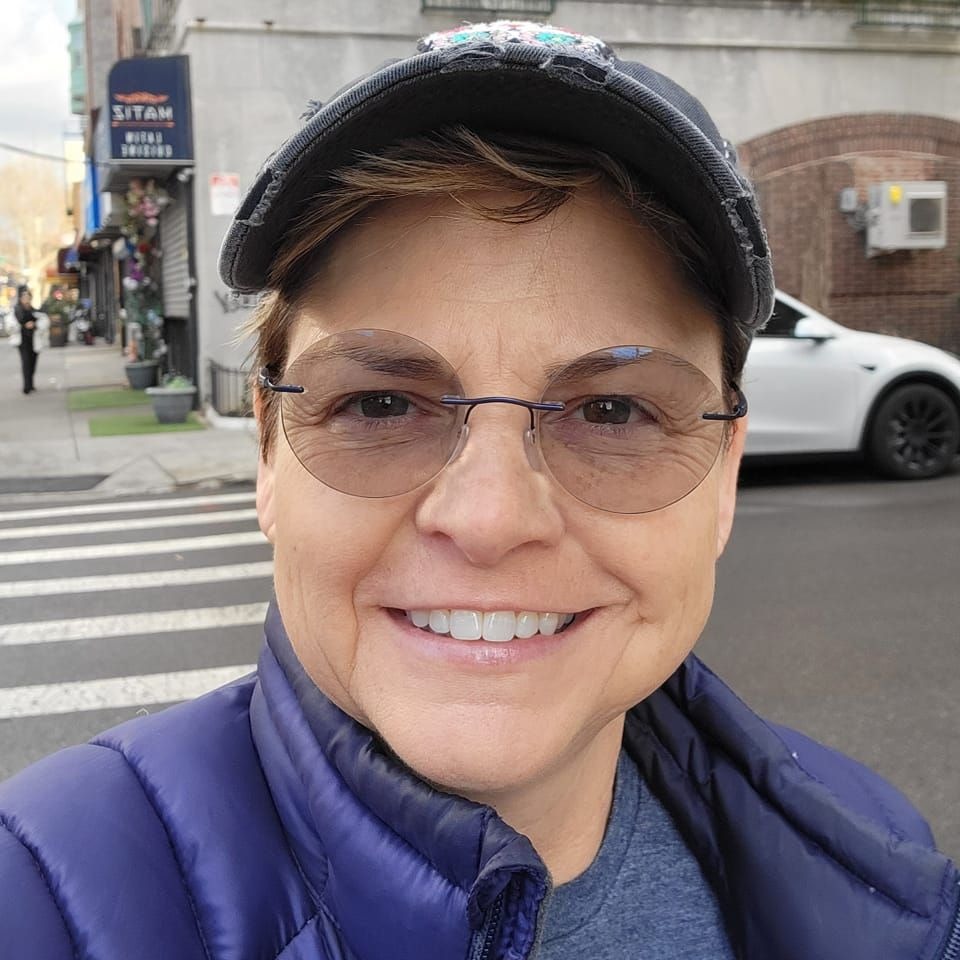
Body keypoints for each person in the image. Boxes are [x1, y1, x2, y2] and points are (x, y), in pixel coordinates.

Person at [1, 21, 958, 960]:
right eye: (381, 404)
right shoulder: (41, 895)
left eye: (612, 412)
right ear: (268, 456)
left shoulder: (877, 864)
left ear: (723, 481)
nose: (490, 519)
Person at [13, 285, 38, 394]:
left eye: (28, 297)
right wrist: (26, 324)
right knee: (26, 362)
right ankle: (26, 386)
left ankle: (31, 384)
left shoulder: (33, 309)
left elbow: (39, 319)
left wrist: (34, 324)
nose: (26, 299)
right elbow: (19, 320)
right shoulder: (18, 309)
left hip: (34, 339)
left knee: (32, 362)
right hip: (23, 340)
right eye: (24, 297)